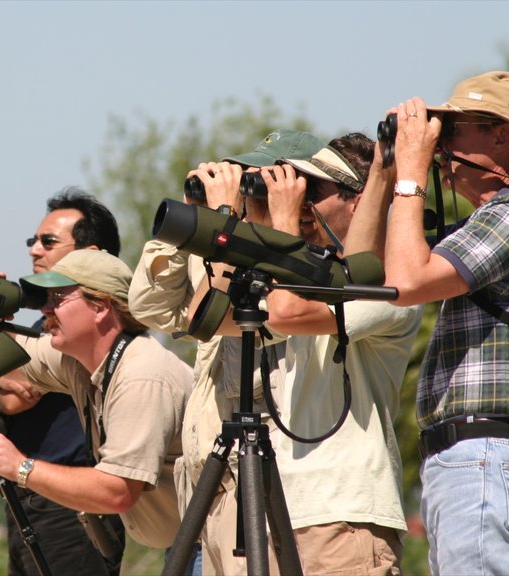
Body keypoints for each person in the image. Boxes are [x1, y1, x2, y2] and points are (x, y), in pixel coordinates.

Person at [367, 71, 509, 575]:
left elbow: (406, 282)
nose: (441, 146)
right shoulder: (484, 224)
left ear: (501, 135)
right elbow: (372, 271)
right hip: (471, 461)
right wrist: (383, 173)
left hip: (485, 456)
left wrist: (413, 172)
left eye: (453, 131)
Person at [128, 129, 320, 575]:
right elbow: (150, 306)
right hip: (202, 490)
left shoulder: (308, 264)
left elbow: (212, 319)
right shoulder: (225, 249)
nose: (249, 193)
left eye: (261, 183)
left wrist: (227, 227)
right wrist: (198, 220)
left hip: (256, 489)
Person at [255, 132, 423, 575]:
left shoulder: (390, 283)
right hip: (286, 511)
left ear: (358, 199)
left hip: (348, 513)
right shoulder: (311, 280)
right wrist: (243, 217)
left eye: (314, 192)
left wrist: (283, 224)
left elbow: (286, 313)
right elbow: (210, 322)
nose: (304, 204)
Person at [0, 249, 193, 564]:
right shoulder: (80, 361)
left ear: (101, 306)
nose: (45, 309)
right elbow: (3, 363)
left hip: (211, 544)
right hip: (186, 543)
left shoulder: (141, 375)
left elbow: (117, 492)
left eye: (57, 298)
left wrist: (20, 467)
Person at [0, 187, 127, 576]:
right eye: (32, 241)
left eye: (48, 241)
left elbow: (12, 394)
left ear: (89, 254)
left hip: (72, 506)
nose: (34, 250)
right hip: (25, 495)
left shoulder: (94, 330)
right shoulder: (47, 326)